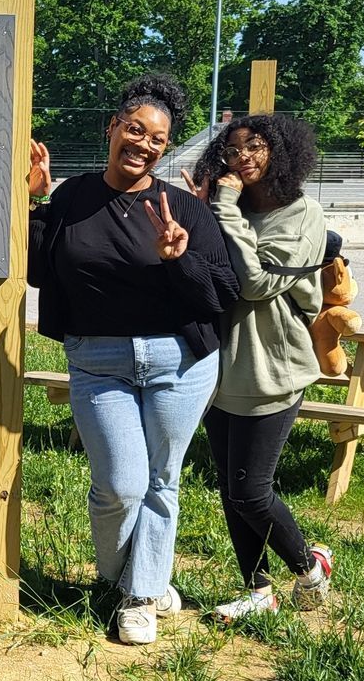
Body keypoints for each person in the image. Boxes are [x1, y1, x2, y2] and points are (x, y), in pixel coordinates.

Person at [26, 73, 238, 647]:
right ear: (112, 128)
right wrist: (36, 201)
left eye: (158, 139)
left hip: (180, 361)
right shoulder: (72, 198)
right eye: (135, 129)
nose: (144, 144)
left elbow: (223, 290)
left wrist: (179, 259)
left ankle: (140, 596)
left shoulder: (182, 209)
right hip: (98, 361)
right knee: (119, 486)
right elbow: (39, 271)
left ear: (165, 149)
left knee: (162, 481)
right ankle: (129, 578)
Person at [189, 114, 334, 622]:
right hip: (220, 368)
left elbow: (255, 283)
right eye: (232, 151)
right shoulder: (227, 208)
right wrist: (201, 211)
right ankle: (258, 590)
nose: (243, 158)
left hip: (272, 368)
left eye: (254, 146)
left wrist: (223, 208)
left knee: (252, 491)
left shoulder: (303, 214)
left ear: (281, 151)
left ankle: (310, 568)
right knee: (232, 491)